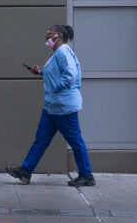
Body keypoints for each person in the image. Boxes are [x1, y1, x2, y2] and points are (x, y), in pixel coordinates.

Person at [6, 24, 95, 187]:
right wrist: (39, 72)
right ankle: (25, 171)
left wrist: (57, 88)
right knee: (41, 139)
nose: (47, 36)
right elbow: (54, 73)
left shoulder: (63, 52)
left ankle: (87, 175)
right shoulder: (56, 54)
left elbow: (70, 74)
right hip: (52, 107)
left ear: (58, 35)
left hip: (63, 107)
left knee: (75, 140)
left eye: (50, 33)